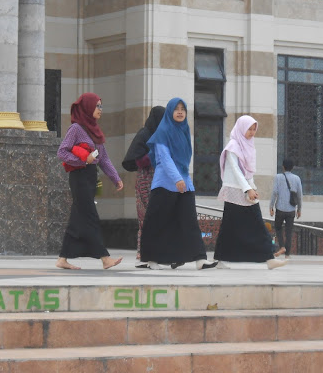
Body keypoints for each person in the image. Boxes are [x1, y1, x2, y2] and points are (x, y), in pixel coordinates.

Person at [139, 98, 218, 270]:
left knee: (190, 221)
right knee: (157, 222)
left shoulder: (184, 131)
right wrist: (177, 179)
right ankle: (151, 259)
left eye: (183, 109)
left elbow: (183, 161)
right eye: (176, 109)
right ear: (170, 112)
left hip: (184, 184)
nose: (180, 112)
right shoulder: (162, 132)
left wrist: (185, 181)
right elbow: (164, 159)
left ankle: (200, 259)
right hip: (165, 184)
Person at [56, 93, 124, 270]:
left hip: (91, 177)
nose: (100, 110)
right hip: (79, 177)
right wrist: (82, 160)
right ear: (87, 107)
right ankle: (104, 258)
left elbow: (104, 159)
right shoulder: (76, 129)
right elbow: (62, 152)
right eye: (97, 106)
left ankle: (62, 259)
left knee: (78, 217)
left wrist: (116, 178)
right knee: (90, 215)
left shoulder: (95, 131)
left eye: (101, 106)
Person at [214, 115, 287, 269]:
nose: (252, 132)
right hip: (235, 190)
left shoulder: (248, 145)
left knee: (238, 224)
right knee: (251, 222)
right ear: (241, 128)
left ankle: (267, 257)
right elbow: (235, 170)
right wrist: (248, 189)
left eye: (254, 129)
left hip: (245, 189)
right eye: (249, 129)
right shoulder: (233, 146)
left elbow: (248, 172)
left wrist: (252, 187)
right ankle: (268, 257)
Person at [122, 106, 166, 268]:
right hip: (146, 179)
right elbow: (135, 159)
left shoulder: (163, 135)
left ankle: (153, 253)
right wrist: (153, 153)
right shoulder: (145, 134)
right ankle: (145, 253)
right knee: (146, 216)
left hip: (159, 179)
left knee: (155, 216)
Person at [269, 158, 303, 259]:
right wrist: (299, 209)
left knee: (278, 228)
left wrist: (271, 206)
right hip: (291, 209)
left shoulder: (278, 177)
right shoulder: (297, 178)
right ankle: (287, 254)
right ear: (292, 168)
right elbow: (299, 195)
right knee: (289, 231)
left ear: (283, 166)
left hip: (280, 208)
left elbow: (274, 192)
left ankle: (282, 247)